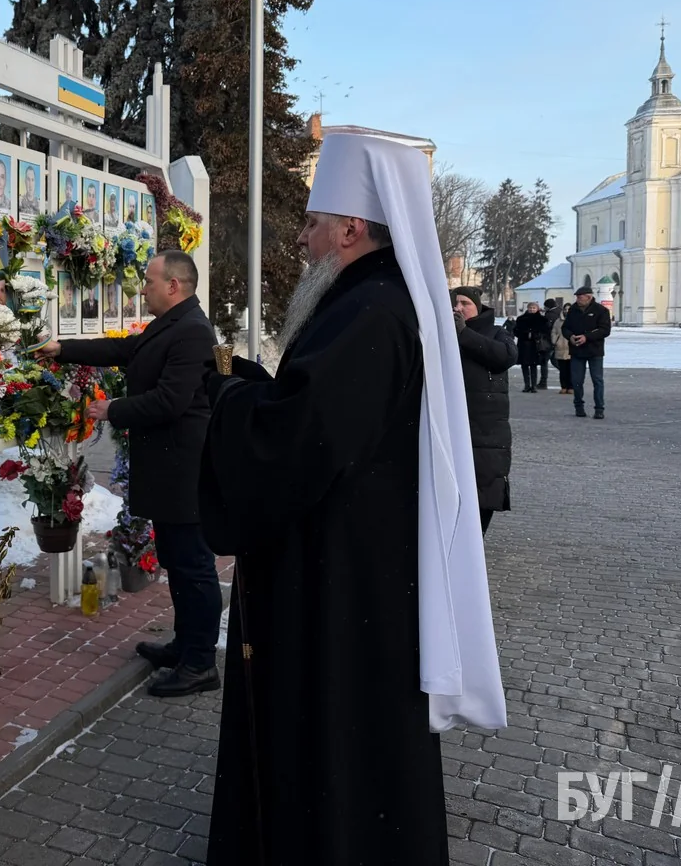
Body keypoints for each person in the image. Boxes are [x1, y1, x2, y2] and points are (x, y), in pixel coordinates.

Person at [198, 133, 505, 865]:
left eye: (312, 224)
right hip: (358, 557)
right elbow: (324, 412)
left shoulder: (370, 309)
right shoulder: (376, 300)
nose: (302, 240)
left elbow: (301, 443)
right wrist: (256, 388)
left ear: (351, 228)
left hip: (339, 572)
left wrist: (230, 400)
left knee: (335, 720)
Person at [40, 251, 221, 697]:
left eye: (150, 282)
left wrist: (113, 409)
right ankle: (185, 645)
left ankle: (200, 663)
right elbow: (123, 350)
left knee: (194, 567)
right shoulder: (172, 324)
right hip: (168, 471)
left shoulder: (194, 331)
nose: (144, 289)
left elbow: (171, 401)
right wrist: (63, 349)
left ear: (173, 286)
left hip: (185, 472)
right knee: (178, 564)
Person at [452, 286, 517, 535]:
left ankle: (475, 539)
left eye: (465, 303)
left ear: (477, 307)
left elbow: (505, 357)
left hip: (486, 426)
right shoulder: (442, 332)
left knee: (483, 484)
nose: (458, 308)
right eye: (455, 303)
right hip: (454, 422)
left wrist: (465, 334)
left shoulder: (497, 332)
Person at [562, 285, 612, 418]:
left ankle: (599, 409)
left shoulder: (601, 310)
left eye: (580, 297)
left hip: (595, 350)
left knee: (597, 380)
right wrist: (570, 336)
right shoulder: (573, 310)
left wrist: (587, 337)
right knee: (577, 380)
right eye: (577, 297)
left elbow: (605, 330)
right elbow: (565, 328)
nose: (577, 300)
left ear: (589, 297)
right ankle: (579, 407)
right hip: (577, 350)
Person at [512, 301, 550, 393]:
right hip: (523, 345)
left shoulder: (542, 319)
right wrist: (523, 334)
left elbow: (546, 331)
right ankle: (526, 385)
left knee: (533, 365)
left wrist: (535, 335)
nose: (532, 309)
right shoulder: (521, 319)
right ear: (527, 308)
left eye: (534, 308)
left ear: (537, 309)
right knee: (524, 365)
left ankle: (534, 385)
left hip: (535, 345)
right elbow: (515, 330)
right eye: (530, 308)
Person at [551, 302, 573, 393]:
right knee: (562, 370)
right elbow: (554, 331)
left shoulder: (576, 319)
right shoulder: (558, 321)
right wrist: (555, 340)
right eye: (565, 309)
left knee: (571, 370)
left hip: (572, 348)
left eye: (569, 309)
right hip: (560, 347)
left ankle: (571, 387)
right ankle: (563, 386)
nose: (567, 311)